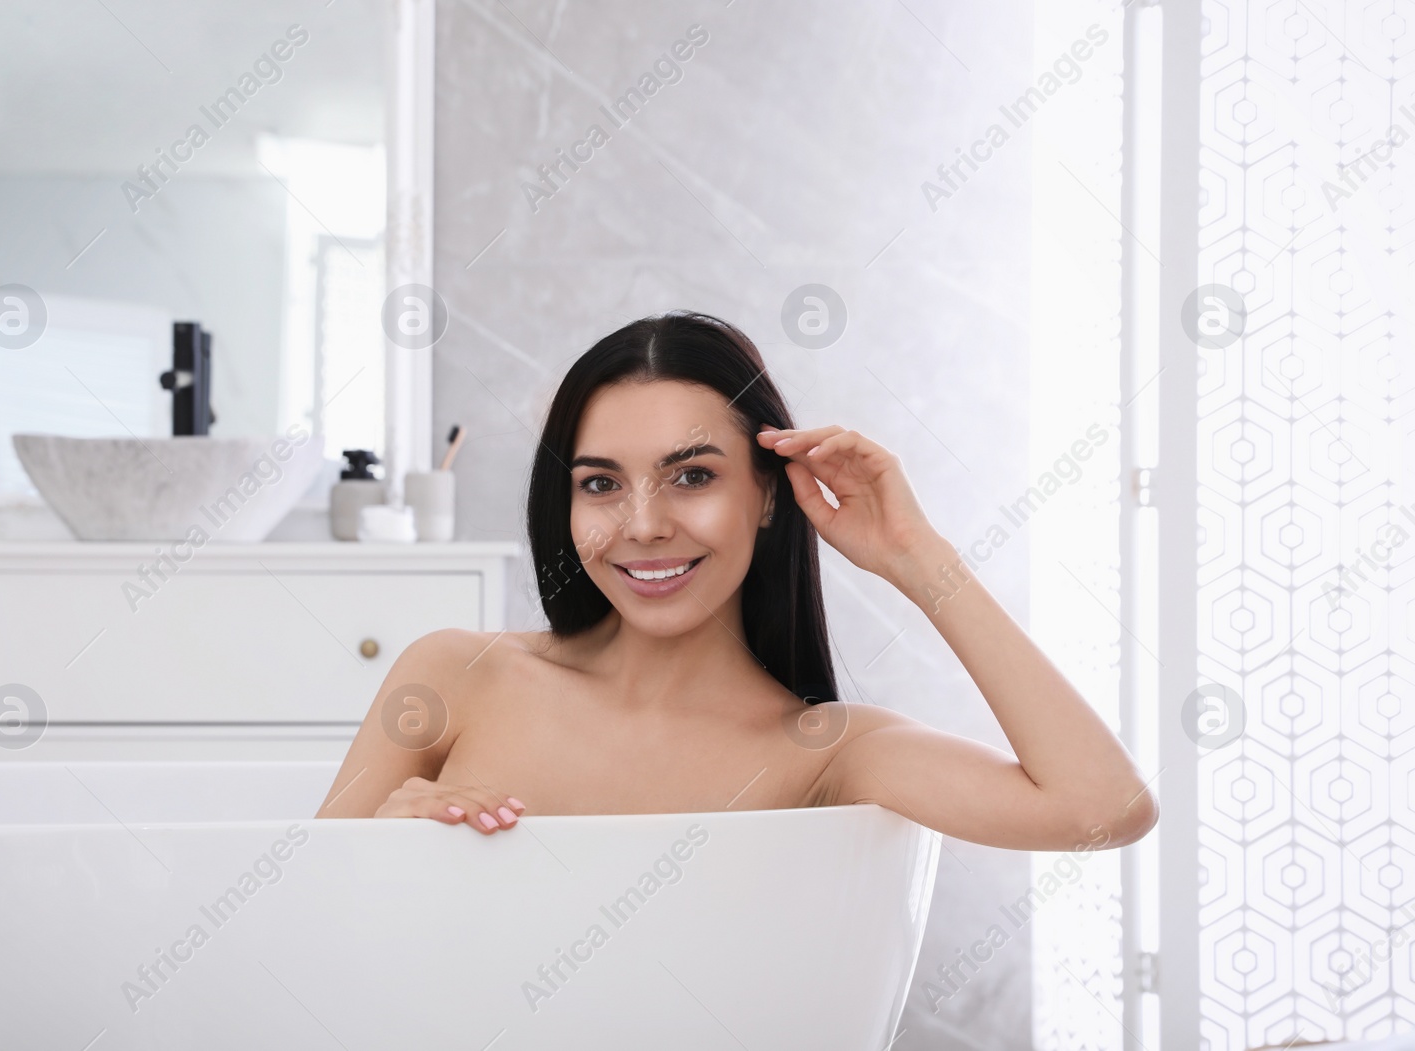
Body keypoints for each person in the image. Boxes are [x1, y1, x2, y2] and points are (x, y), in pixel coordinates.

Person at [316, 310, 1157, 852]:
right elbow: (297, 945)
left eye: (691, 477)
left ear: (766, 496)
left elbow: (1103, 808)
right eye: (601, 483)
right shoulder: (454, 676)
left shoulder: (827, 751)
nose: (643, 524)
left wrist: (916, 555)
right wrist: (384, 858)